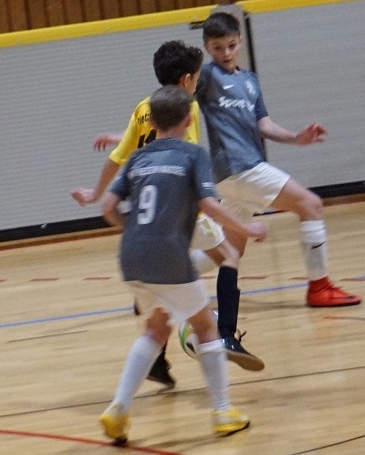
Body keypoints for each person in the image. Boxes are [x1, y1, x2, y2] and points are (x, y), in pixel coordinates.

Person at [72, 41, 265, 385]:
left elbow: (118, 156)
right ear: (187, 79)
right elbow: (183, 158)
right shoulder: (188, 109)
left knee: (161, 291)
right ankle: (225, 334)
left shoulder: (144, 108)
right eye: (197, 79)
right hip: (183, 207)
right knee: (229, 256)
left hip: (149, 215)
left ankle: (158, 361)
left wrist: (95, 193)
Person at [98, 85, 267, 442]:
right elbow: (209, 204)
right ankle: (223, 412)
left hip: (131, 256)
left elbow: (107, 207)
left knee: (155, 329)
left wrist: (135, 230)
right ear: (189, 120)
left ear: (152, 122)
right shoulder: (192, 154)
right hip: (168, 254)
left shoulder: (137, 158)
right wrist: (246, 228)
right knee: (206, 328)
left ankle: (118, 409)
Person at [195, 11, 361, 312]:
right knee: (310, 204)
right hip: (238, 167)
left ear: (240, 41)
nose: (226, 53)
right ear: (207, 47)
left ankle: (162, 284)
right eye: (217, 48)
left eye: (231, 46)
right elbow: (176, 96)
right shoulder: (206, 76)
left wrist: (297, 137)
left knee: (229, 250)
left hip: (236, 175)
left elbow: (265, 125)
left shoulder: (249, 80)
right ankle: (319, 288)